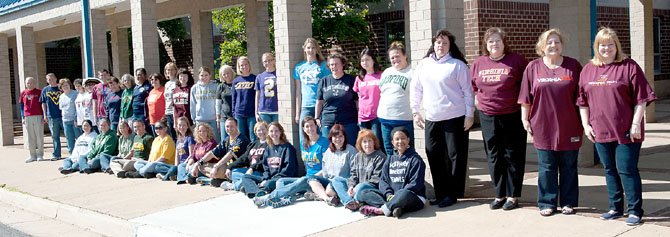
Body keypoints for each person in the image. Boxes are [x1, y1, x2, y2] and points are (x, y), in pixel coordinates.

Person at [577, 27, 657, 226]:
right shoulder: (588, 69)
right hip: (600, 129)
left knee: (627, 170)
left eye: (610, 44)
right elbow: (582, 101)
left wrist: (636, 123)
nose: (607, 48)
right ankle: (615, 207)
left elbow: (642, 98)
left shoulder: (629, 66)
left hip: (627, 130)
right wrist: (586, 125)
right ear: (597, 47)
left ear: (616, 46)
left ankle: (635, 211)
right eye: (602, 45)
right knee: (610, 169)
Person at [519, 28, 584, 216]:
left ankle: (568, 202)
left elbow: (582, 97)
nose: (553, 45)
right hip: (542, 125)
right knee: (546, 167)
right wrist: (525, 119)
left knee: (569, 166)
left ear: (562, 45)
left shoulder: (573, 66)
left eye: (556, 42)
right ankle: (547, 202)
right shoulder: (533, 67)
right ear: (542, 46)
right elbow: (525, 97)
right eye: (549, 42)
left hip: (569, 124)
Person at [411, 29, 473, 208]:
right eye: (438, 42)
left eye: (445, 42)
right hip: (432, 117)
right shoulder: (424, 64)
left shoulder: (457, 65)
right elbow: (416, 89)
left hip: (455, 116)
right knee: (433, 153)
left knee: (454, 155)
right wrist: (415, 111)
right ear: (433, 44)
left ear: (450, 46)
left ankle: (452, 194)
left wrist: (469, 114)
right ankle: (440, 193)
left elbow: (468, 92)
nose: (441, 45)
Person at [471, 27, 529, 211]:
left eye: (497, 40)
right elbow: (473, 85)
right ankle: (499, 194)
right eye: (490, 41)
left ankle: (512, 196)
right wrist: (476, 101)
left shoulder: (516, 61)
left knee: (512, 154)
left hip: (512, 114)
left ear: (504, 43)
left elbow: (527, 85)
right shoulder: (479, 63)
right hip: (488, 116)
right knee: (494, 156)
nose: (494, 44)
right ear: (485, 45)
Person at [358, 127, 427, 218]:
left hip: (413, 197)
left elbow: (415, 184)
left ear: (408, 140)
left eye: (403, 138)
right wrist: (388, 194)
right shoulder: (390, 159)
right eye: (397, 139)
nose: (400, 141)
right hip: (392, 196)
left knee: (404, 194)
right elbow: (383, 181)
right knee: (364, 192)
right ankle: (395, 207)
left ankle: (382, 210)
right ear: (392, 143)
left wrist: (397, 196)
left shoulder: (415, 160)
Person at [331, 129, 386, 211]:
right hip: (357, 187)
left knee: (361, 186)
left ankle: (353, 200)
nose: (367, 144)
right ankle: (349, 202)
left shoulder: (380, 156)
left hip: (371, 188)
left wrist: (356, 187)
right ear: (360, 144)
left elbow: (376, 178)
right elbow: (353, 175)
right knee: (336, 180)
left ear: (374, 142)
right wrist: (351, 186)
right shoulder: (358, 156)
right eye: (364, 142)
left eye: (370, 141)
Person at [242, 122, 298, 202]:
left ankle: (254, 190)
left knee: (267, 184)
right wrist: (265, 178)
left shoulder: (288, 148)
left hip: (281, 179)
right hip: (269, 179)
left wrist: (267, 181)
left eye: (276, 131)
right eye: (271, 131)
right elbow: (266, 168)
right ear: (268, 133)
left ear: (280, 132)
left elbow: (288, 170)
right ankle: (259, 192)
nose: (274, 133)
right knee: (246, 177)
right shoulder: (268, 148)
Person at [306, 124, 357, 205]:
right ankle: (326, 198)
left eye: (340, 136)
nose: (338, 139)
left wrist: (351, 186)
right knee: (311, 180)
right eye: (335, 137)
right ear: (331, 138)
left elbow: (354, 173)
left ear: (344, 137)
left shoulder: (351, 150)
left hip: (343, 182)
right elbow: (325, 172)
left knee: (329, 190)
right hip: (329, 180)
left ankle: (321, 195)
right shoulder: (328, 151)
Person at [315, 53, 359, 145]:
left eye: (336, 64)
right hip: (328, 120)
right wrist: (317, 118)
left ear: (342, 64)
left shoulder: (351, 80)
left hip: (348, 120)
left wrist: (359, 117)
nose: (334, 67)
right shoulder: (323, 81)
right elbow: (319, 102)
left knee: (350, 147)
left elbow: (357, 101)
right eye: (331, 64)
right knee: (329, 148)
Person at [378, 42, 414, 155]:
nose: (395, 59)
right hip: (384, 119)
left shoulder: (412, 72)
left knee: (405, 150)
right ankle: (392, 172)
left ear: (405, 56)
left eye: (397, 56)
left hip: (402, 119)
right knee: (389, 151)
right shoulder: (387, 72)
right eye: (392, 57)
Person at [194, 118, 250, 187]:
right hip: (226, 167)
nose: (229, 128)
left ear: (236, 126)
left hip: (237, 168)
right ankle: (217, 178)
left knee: (219, 169)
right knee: (201, 165)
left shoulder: (241, 140)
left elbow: (230, 155)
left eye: (231, 126)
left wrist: (216, 166)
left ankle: (213, 178)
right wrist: (199, 162)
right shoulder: (226, 140)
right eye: (227, 126)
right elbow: (212, 153)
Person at [293, 38, 330, 139]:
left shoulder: (323, 66)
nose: (311, 50)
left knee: (321, 135)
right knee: (303, 136)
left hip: (320, 105)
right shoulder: (299, 67)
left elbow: (327, 88)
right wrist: (297, 113)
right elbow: (298, 92)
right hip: (305, 106)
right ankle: (305, 155)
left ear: (317, 49)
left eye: (313, 48)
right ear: (304, 49)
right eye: (308, 47)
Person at [221, 122, 269, 191]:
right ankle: (248, 184)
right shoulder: (253, 144)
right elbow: (244, 158)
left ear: (267, 130)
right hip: (250, 171)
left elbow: (265, 160)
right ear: (255, 132)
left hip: (260, 172)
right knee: (232, 172)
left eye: (263, 129)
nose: (261, 132)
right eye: (259, 130)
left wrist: (252, 168)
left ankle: (234, 186)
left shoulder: (269, 144)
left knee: (246, 177)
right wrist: (230, 167)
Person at [354, 48, 383, 146]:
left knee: (375, 143)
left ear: (373, 60)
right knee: (365, 144)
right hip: (363, 117)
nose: (364, 62)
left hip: (376, 116)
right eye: (362, 60)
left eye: (367, 59)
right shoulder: (359, 78)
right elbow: (357, 97)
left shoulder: (381, 76)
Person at [191, 67, 220, 143]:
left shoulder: (215, 86)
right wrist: (194, 117)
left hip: (213, 119)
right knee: (201, 141)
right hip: (200, 119)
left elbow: (218, 103)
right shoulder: (194, 88)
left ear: (210, 75)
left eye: (206, 75)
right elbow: (193, 104)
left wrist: (218, 117)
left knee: (214, 140)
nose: (204, 77)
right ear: (198, 76)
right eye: (202, 75)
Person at [232, 56, 258, 141]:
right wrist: (233, 112)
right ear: (239, 67)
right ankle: (243, 154)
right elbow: (234, 98)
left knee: (253, 136)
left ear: (249, 65)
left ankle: (253, 154)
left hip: (251, 113)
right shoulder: (236, 81)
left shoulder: (255, 78)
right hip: (239, 113)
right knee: (241, 137)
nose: (244, 67)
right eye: (241, 65)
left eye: (246, 64)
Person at [21, 77, 45, 163]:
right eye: (28, 83)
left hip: (38, 115)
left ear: (34, 83)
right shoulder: (23, 93)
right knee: (30, 137)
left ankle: (40, 155)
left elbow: (43, 104)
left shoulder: (39, 92)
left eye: (31, 82)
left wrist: (43, 116)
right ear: (25, 84)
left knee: (39, 136)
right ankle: (32, 155)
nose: (30, 84)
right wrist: (23, 117)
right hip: (27, 116)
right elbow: (21, 106)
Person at [41, 73, 64, 161]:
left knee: (69, 135)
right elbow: (43, 103)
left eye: (52, 79)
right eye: (48, 79)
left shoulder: (61, 88)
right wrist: (45, 115)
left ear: (56, 78)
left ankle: (72, 153)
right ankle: (56, 154)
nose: (50, 81)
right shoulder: (45, 90)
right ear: (47, 81)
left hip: (63, 115)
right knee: (55, 136)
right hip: (51, 116)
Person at [165, 116, 195, 182]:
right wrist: (176, 166)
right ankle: (170, 175)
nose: (181, 127)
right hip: (180, 164)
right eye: (180, 125)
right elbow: (177, 156)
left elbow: (191, 155)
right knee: (171, 168)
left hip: (186, 163)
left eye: (184, 125)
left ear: (187, 126)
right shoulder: (178, 140)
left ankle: (183, 178)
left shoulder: (190, 138)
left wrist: (183, 163)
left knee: (179, 167)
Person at [58, 78, 81, 155]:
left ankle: (80, 153)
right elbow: (61, 108)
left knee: (78, 137)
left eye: (66, 85)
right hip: (65, 120)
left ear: (69, 85)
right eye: (63, 86)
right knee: (69, 138)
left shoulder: (75, 94)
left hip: (74, 120)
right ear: (61, 87)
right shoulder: (61, 97)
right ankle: (71, 154)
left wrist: (76, 118)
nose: (65, 87)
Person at [255, 52, 279, 123]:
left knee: (277, 132)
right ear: (262, 63)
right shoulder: (260, 77)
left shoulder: (279, 74)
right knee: (265, 133)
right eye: (265, 61)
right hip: (264, 110)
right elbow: (257, 96)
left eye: (270, 60)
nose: (268, 63)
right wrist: (256, 112)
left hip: (277, 110)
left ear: (274, 60)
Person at [216, 65, 235, 139]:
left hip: (236, 116)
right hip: (224, 116)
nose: (226, 75)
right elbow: (218, 104)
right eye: (224, 74)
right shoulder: (221, 87)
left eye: (228, 73)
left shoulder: (236, 83)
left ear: (232, 73)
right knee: (224, 139)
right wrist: (218, 118)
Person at [163, 62, 179, 138]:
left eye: (172, 70)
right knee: (171, 134)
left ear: (176, 71)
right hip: (168, 111)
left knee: (177, 134)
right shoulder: (167, 84)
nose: (170, 72)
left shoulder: (177, 82)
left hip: (175, 111)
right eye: (168, 70)